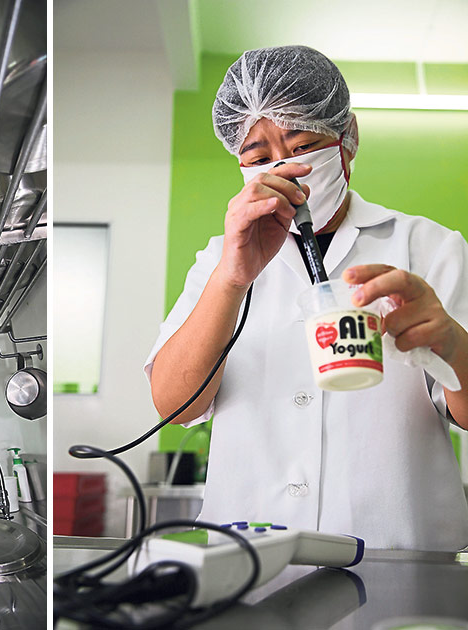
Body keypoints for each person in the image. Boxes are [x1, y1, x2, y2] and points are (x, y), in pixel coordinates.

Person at [145, 45, 468, 551]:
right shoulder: (217, 261)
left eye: (301, 147)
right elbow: (175, 406)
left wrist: (452, 342)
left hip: (397, 556)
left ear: (347, 139)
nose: (285, 169)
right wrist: (232, 279)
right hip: (249, 561)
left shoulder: (429, 248)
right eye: (259, 157)